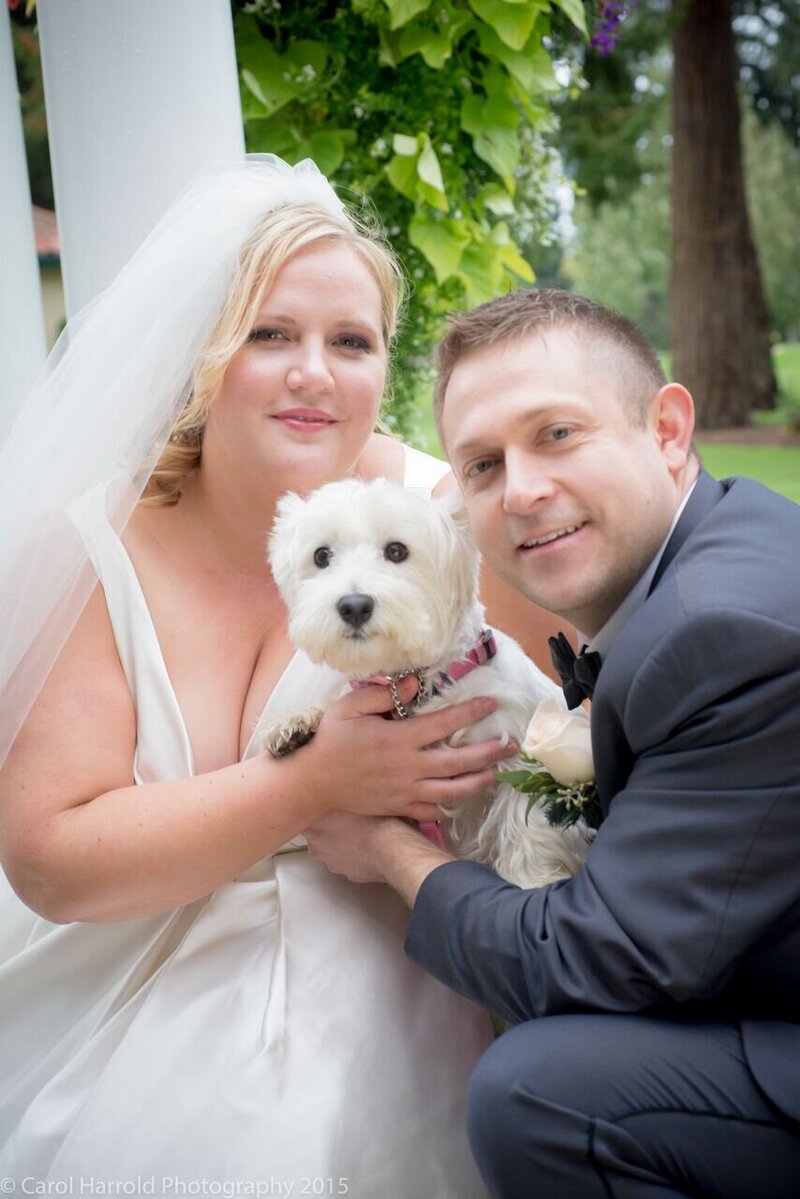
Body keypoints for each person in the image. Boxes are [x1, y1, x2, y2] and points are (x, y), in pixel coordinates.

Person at [0, 155, 536, 1194]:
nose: (314, 374)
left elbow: (551, 723)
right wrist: (308, 784)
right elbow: (52, 859)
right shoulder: (92, 546)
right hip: (128, 969)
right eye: (270, 335)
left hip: (386, 963)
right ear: (204, 353)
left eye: (351, 341)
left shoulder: (439, 522)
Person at [306, 289, 800, 1198]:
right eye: (484, 465)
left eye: (558, 434)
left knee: (536, 1090)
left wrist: (387, 850)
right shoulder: (723, 539)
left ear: (668, 428)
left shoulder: (725, 632)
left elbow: (590, 965)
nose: (524, 490)